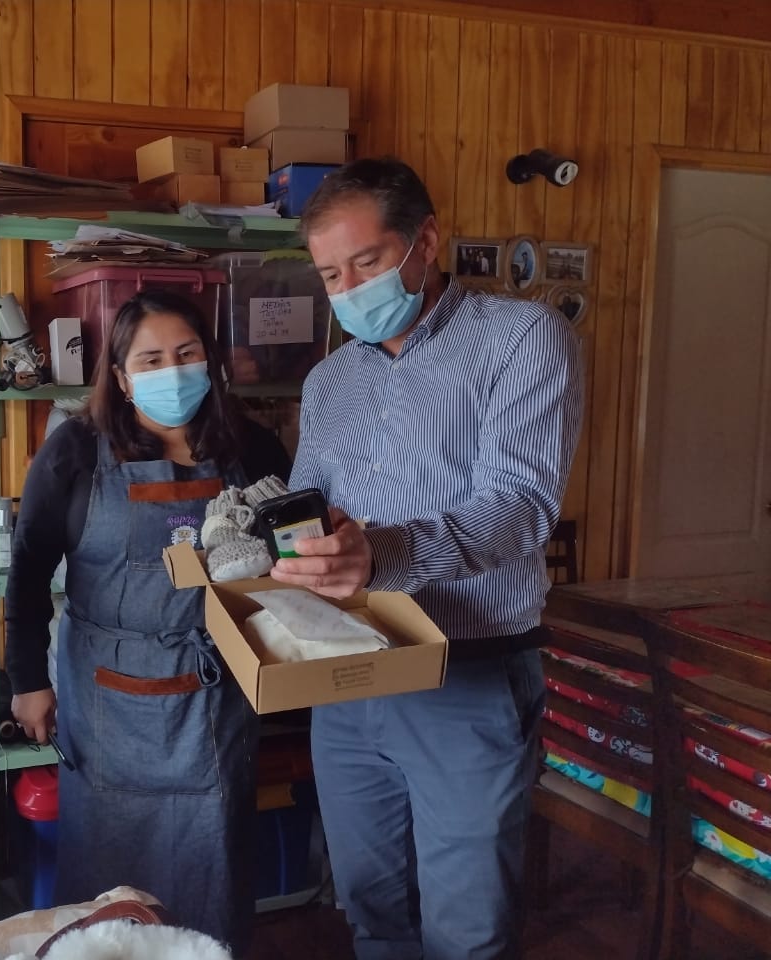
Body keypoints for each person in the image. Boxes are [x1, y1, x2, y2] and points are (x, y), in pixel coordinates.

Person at [270, 157, 583, 960]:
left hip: (465, 675)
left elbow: (519, 507)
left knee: (467, 927)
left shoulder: (522, 339)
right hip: (347, 675)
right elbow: (308, 508)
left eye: (367, 262)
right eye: (331, 275)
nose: (349, 289)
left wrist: (385, 552)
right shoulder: (329, 380)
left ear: (426, 241)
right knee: (369, 906)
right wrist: (269, 544)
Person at [5, 291, 291, 955]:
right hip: (109, 698)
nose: (173, 371)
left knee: (211, 869)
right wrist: (27, 681)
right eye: (152, 359)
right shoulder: (75, 451)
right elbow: (27, 571)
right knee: (109, 893)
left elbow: (288, 553)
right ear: (122, 375)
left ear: (210, 362)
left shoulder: (252, 447)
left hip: (215, 694)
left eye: (187, 354)